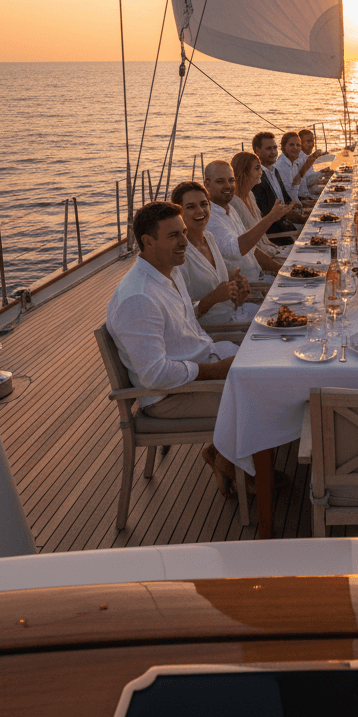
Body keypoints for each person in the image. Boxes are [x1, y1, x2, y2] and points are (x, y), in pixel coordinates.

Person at [105, 201, 241, 498]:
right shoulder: (138, 298)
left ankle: (226, 456)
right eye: (174, 236)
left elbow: (180, 318)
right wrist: (215, 371)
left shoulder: (168, 271)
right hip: (168, 398)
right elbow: (155, 375)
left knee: (266, 359)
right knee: (255, 397)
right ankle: (240, 470)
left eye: (183, 232)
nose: (184, 241)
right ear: (148, 242)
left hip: (199, 367)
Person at [171, 180, 257, 329]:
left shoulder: (209, 237)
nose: (200, 211)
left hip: (233, 318)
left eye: (204, 204)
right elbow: (181, 316)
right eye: (191, 207)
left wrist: (237, 292)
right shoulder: (179, 255)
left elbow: (222, 289)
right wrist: (212, 299)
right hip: (212, 332)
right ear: (179, 213)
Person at [204, 160, 292, 277]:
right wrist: (270, 218)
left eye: (231, 181)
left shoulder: (230, 208)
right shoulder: (209, 218)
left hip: (262, 274)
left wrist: (279, 269)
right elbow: (237, 249)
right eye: (220, 181)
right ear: (207, 184)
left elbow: (252, 249)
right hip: (250, 287)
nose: (228, 186)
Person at [230, 151, 290, 270]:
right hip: (259, 260)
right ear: (244, 172)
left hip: (271, 249)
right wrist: (272, 217)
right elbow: (247, 244)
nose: (261, 172)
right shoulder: (234, 203)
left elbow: (262, 235)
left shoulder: (250, 195)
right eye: (257, 169)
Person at [251, 131, 304, 236]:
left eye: (275, 148)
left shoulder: (275, 171)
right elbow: (267, 214)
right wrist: (303, 220)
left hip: (288, 225)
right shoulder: (257, 180)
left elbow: (287, 199)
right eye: (268, 148)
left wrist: (301, 208)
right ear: (257, 151)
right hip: (278, 234)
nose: (274, 152)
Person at [276, 130, 321, 205]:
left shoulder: (292, 162)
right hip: (288, 208)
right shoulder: (282, 166)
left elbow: (295, 190)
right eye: (291, 145)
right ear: (283, 146)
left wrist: (307, 200)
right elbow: (285, 198)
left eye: (298, 145)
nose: (296, 148)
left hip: (299, 200)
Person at [298, 127, 329, 193]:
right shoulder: (298, 159)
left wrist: (323, 173)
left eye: (313, 140)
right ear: (300, 143)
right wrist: (322, 175)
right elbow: (305, 182)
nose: (312, 144)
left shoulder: (306, 156)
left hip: (310, 188)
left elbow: (311, 174)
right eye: (308, 141)